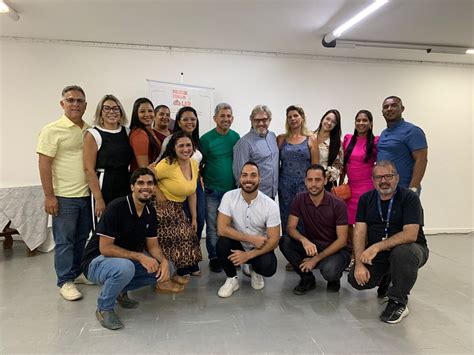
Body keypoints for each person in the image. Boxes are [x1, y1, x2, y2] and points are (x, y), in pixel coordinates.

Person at [80, 168, 171, 330]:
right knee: (125, 267)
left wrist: (163, 261)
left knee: (168, 268)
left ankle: (119, 290)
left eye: (150, 183)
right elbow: (105, 248)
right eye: (140, 183)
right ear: (132, 187)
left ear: (154, 188)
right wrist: (140, 257)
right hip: (96, 262)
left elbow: (152, 245)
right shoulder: (116, 207)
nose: (145, 187)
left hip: (124, 261)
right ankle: (104, 308)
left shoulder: (150, 211)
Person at [348, 160, 429, 324]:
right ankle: (388, 276)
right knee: (355, 281)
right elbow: (359, 232)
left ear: (397, 178)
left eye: (388, 176)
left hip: (412, 250)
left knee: (402, 253)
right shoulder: (366, 199)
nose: (384, 181)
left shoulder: (409, 198)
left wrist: (376, 246)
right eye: (378, 177)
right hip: (380, 253)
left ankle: (398, 301)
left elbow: (410, 235)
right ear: (373, 180)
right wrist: (358, 264)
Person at [36, 85, 92, 301]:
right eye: (71, 100)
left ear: (85, 105)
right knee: (64, 240)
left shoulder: (89, 130)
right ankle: (64, 281)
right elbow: (44, 164)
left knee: (81, 238)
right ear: (62, 104)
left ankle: (77, 273)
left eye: (79, 101)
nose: (75, 104)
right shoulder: (52, 130)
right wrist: (49, 196)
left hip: (86, 195)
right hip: (64, 196)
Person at [280, 164, 350, 295]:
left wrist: (316, 259)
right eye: (310, 180)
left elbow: (342, 241)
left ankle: (334, 278)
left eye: (317, 180)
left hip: (336, 249)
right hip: (314, 245)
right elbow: (290, 228)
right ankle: (307, 279)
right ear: (305, 181)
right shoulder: (299, 199)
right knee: (285, 241)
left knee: (329, 271)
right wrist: (304, 240)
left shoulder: (338, 204)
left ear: (324, 180)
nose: (313, 184)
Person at [216, 162, 280, 298]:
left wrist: (248, 256)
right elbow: (221, 229)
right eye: (244, 175)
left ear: (259, 179)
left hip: (258, 247)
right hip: (238, 243)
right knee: (222, 243)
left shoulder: (270, 205)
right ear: (240, 178)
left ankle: (254, 270)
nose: (248, 179)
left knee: (268, 267)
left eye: (253, 175)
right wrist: (250, 238)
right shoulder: (229, 197)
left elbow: (274, 241)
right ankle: (232, 278)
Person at [153, 131, 203, 291]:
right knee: (173, 240)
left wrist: (194, 217)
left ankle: (177, 272)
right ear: (173, 148)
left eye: (188, 145)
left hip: (177, 207)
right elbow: (146, 177)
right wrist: (159, 194)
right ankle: (164, 280)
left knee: (188, 235)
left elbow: (192, 192)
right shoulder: (167, 163)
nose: (185, 149)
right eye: (181, 145)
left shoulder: (193, 164)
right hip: (160, 208)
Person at [158, 107, 205, 268]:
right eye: (185, 119)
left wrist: (198, 178)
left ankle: (189, 263)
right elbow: (155, 170)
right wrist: (159, 194)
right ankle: (178, 267)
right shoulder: (169, 150)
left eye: (193, 118)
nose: (190, 122)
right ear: (178, 121)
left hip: (191, 185)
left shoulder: (196, 144)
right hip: (170, 196)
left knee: (196, 221)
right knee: (180, 233)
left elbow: (198, 166)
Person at [200, 103, 240, 273]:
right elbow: (199, 163)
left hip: (232, 191)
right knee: (212, 227)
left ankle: (231, 256)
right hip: (212, 191)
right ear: (215, 118)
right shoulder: (206, 139)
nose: (226, 119)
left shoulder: (236, 137)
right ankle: (215, 257)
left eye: (229, 116)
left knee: (232, 226)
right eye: (222, 116)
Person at [277, 106, 318, 262]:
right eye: (290, 117)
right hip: (285, 186)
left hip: (304, 187)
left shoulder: (311, 139)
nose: (293, 119)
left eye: (296, 116)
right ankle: (291, 256)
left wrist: (313, 186)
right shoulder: (281, 139)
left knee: (305, 219)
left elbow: (315, 167)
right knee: (287, 219)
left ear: (302, 117)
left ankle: (306, 254)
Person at [83, 94, 133, 224]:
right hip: (104, 184)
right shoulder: (93, 134)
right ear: (100, 112)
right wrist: (99, 199)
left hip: (125, 183)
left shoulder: (127, 132)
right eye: (107, 108)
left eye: (116, 108)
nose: (112, 112)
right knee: (104, 226)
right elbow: (89, 169)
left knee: (124, 225)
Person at [341, 110, 379, 266]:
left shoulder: (375, 141)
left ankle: (364, 254)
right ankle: (352, 252)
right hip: (351, 187)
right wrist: (340, 180)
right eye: (358, 120)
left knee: (366, 222)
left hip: (367, 187)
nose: (361, 123)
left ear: (370, 123)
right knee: (348, 222)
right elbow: (344, 163)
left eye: (365, 120)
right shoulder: (348, 139)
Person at [377, 96, 428, 194]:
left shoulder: (413, 131)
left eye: (394, 105)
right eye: (386, 107)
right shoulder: (383, 133)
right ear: (382, 112)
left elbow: (422, 160)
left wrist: (413, 188)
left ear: (402, 108)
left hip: (404, 188)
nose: (389, 109)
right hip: (385, 188)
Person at [233, 105, 279, 199]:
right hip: (254, 196)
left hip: (271, 194)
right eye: (257, 120)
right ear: (251, 120)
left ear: (269, 120)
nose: (261, 123)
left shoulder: (272, 136)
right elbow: (239, 174)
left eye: (264, 119)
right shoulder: (244, 143)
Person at [129, 97, 161, 172]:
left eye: (150, 111)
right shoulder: (139, 134)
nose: (147, 114)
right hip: (144, 179)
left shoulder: (150, 131)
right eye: (142, 111)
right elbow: (144, 169)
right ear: (136, 114)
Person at [314, 109, 344, 190]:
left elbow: (338, 166)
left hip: (326, 184)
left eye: (333, 122)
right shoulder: (310, 137)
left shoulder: (337, 143)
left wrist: (325, 177)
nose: (329, 123)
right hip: (307, 181)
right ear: (322, 119)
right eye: (327, 119)